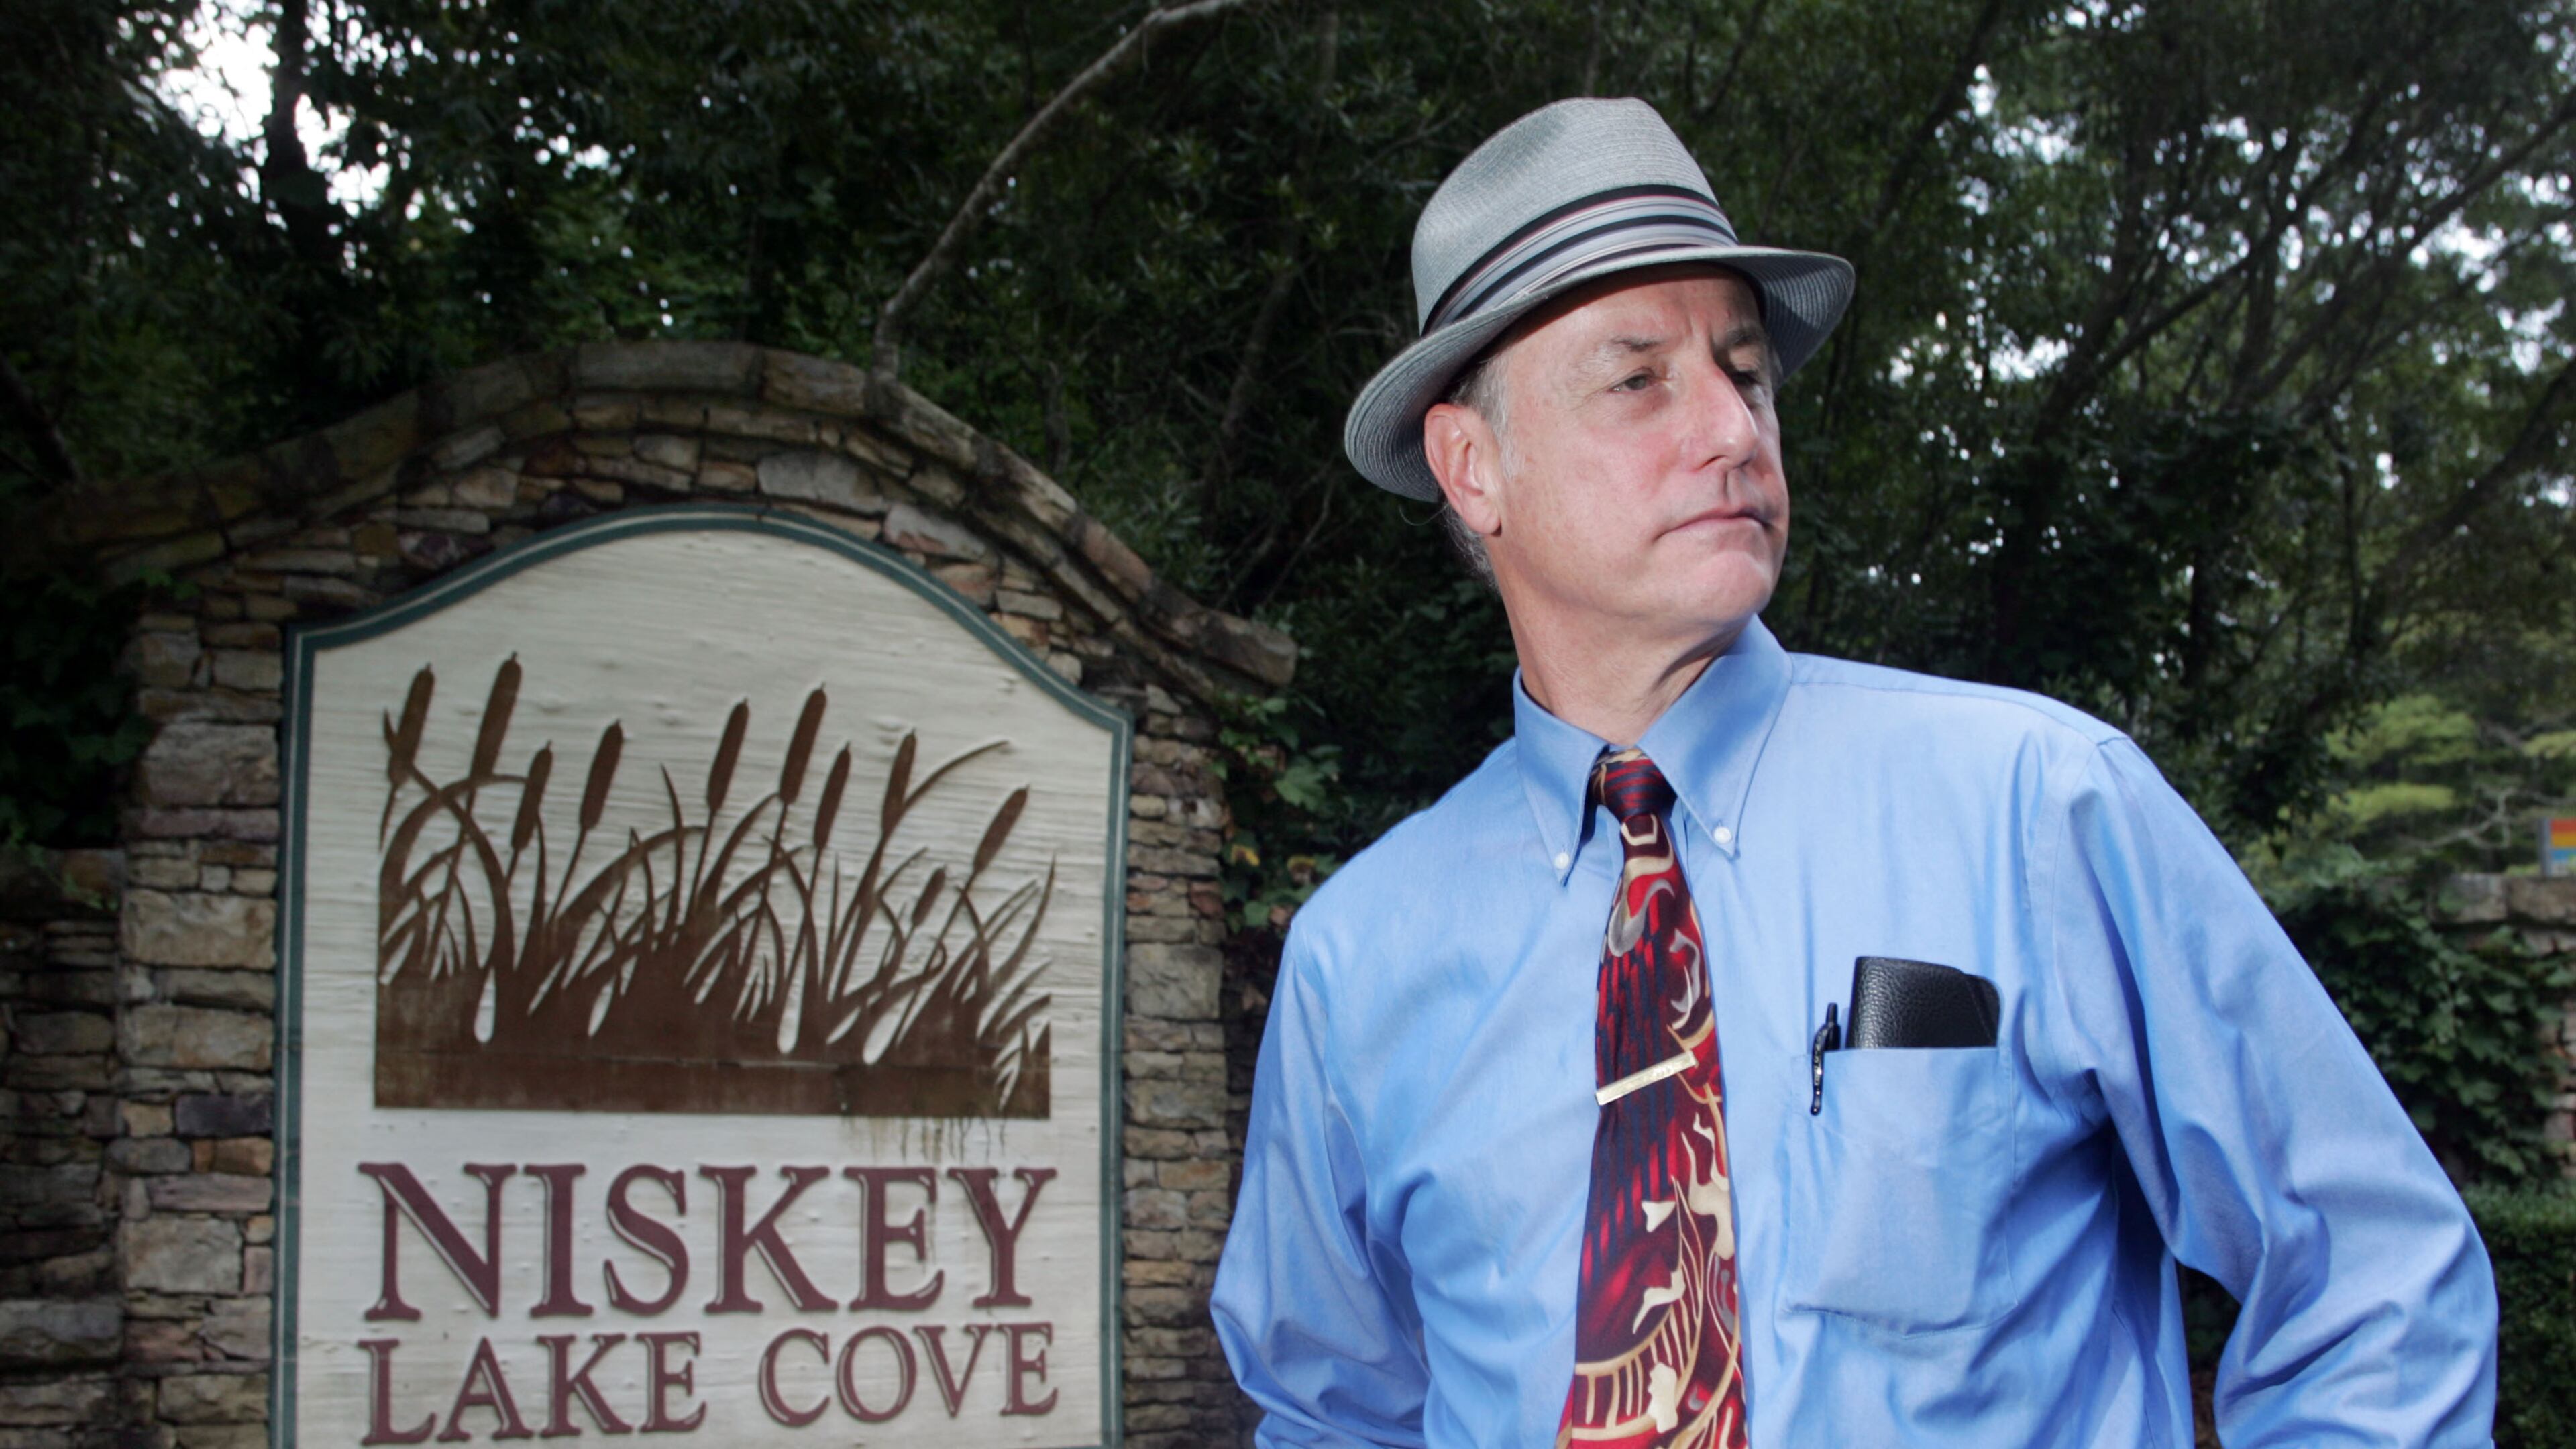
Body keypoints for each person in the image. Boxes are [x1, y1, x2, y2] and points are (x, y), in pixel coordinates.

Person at [1208, 97, 2496, 1448]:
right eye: (1639, 377)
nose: (1731, 427)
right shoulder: (1358, 961)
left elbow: (2375, 1283)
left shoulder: (2035, 807)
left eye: (1746, 370)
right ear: (1473, 465)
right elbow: (1330, 1409)